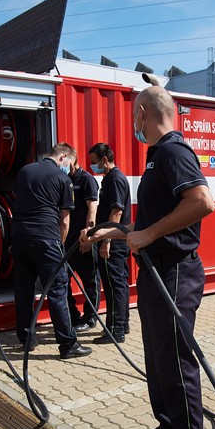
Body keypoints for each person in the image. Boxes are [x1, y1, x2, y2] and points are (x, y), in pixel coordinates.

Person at [83, 85, 215, 429]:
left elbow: (202, 202)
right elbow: (147, 228)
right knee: (157, 363)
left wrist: (150, 233)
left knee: (176, 365)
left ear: (142, 113)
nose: (132, 124)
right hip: (157, 273)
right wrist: (115, 231)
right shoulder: (157, 156)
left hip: (175, 274)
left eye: (132, 116)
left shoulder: (174, 152)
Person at [11, 143, 92, 360]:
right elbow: (64, 220)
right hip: (46, 238)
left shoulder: (25, 171)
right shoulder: (63, 179)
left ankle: (27, 338)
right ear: (63, 156)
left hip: (19, 237)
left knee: (24, 289)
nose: (70, 167)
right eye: (70, 163)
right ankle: (68, 344)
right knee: (58, 289)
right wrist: (61, 246)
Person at [88, 142, 132, 343]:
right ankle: (123, 324)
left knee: (114, 286)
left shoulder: (115, 179)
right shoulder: (110, 179)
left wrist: (106, 241)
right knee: (119, 283)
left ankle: (115, 330)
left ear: (105, 160)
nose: (92, 167)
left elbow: (116, 212)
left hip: (113, 243)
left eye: (94, 162)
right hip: (115, 241)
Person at [65, 153, 100, 332]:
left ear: (73, 159)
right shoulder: (64, 179)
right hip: (66, 240)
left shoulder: (86, 180)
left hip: (82, 239)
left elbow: (92, 209)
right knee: (63, 280)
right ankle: (73, 316)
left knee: (90, 280)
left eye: (65, 161)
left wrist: (88, 236)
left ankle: (90, 317)